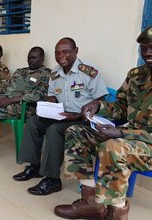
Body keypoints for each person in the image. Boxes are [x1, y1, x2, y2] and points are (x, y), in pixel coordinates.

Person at [53, 26, 152, 220]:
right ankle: (90, 203)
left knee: (113, 147)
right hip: (129, 137)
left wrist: (122, 134)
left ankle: (116, 212)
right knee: (76, 132)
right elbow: (122, 108)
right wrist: (98, 106)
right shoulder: (136, 76)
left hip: (144, 142)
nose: (147, 52)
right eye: (144, 48)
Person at [12, 38, 108, 196]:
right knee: (33, 122)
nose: (60, 55)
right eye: (57, 53)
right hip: (62, 115)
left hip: (83, 120)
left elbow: (101, 100)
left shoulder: (89, 72)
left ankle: (52, 180)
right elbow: (53, 97)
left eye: (65, 52)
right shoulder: (55, 73)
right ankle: (34, 167)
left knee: (54, 130)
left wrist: (78, 114)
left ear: (76, 51)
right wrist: (48, 108)